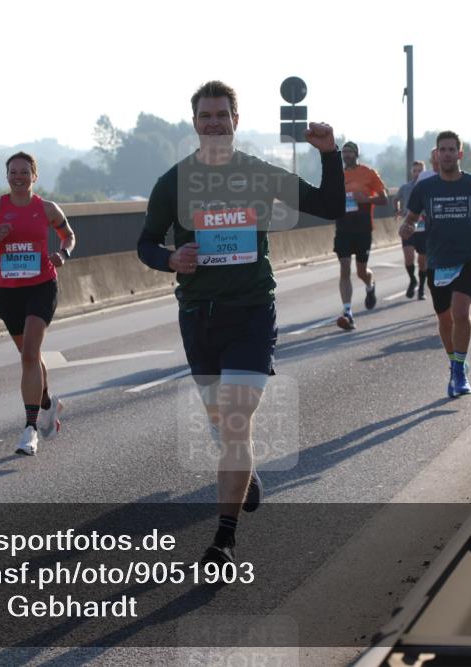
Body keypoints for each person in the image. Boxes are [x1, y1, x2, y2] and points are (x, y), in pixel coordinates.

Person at [137, 80, 344, 564]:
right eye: (205, 116)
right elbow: (145, 242)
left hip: (251, 313)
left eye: (222, 115)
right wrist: (170, 259)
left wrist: (329, 154)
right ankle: (244, 475)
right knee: (223, 422)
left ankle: (223, 539)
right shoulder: (174, 182)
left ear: (236, 121)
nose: (214, 123)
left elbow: (330, 206)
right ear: (195, 124)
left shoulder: (255, 173)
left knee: (233, 422)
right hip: (198, 317)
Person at [0, 152, 74, 455]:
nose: (19, 177)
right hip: (10, 292)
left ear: (34, 176)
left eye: (25, 172)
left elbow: (68, 235)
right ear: (7, 176)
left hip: (42, 286)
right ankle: (47, 403)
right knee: (30, 355)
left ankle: (30, 430)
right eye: (13, 172)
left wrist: (63, 253)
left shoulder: (46, 208)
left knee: (29, 354)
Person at [401, 130, 471, 398]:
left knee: (460, 311)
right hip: (437, 260)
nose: (446, 154)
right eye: (441, 149)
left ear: (460, 153)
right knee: (444, 318)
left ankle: (458, 371)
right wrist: (407, 226)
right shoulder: (425, 187)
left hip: (469, 257)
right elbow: (411, 217)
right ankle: (454, 361)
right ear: (436, 154)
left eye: (451, 149)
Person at [333, 140, 388, 330]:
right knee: (344, 267)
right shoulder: (336, 175)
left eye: (350, 152)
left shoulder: (369, 174)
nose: (346, 155)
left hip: (363, 228)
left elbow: (384, 198)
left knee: (361, 271)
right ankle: (347, 312)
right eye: (344, 152)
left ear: (356, 154)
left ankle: (370, 285)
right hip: (343, 227)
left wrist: (367, 198)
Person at [396, 160, 428, 299]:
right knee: (409, 259)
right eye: (415, 171)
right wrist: (397, 210)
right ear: (411, 172)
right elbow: (395, 198)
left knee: (422, 261)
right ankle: (412, 280)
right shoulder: (405, 187)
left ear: (424, 172)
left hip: (424, 229)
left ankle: (421, 288)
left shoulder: (429, 187)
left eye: (420, 171)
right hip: (408, 228)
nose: (417, 174)